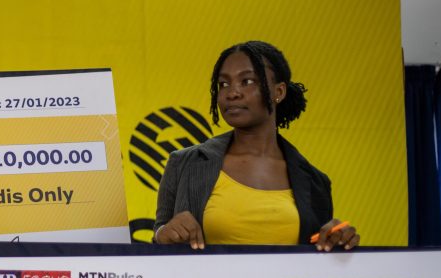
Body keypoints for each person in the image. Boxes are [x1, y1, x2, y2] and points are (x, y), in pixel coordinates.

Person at [154, 40, 359, 252]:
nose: (232, 93)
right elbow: (158, 238)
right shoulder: (184, 163)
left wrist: (337, 240)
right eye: (223, 84)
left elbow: (317, 257)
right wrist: (164, 234)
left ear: (279, 92)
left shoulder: (315, 182)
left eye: (247, 81)